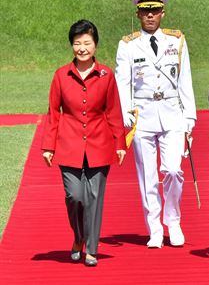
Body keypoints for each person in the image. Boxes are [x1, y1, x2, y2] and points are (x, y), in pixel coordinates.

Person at [115, 0, 197, 248]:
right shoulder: (128, 44)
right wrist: (126, 111)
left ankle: (173, 221)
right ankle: (154, 228)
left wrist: (190, 117)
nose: (149, 15)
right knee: (147, 175)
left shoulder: (177, 40)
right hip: (143, 115)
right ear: (137, 13)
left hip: (172, 114)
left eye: (154, 10)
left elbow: (185, 80)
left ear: (163, 12)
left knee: (173, 170)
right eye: (144, 10)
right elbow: (123, 81)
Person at [42, 20, 126, 267]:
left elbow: (113, 111)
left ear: (95, 45)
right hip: (68, 145)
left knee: (94, 197)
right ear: (72, 46)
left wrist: (120, 143)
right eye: (77, 43)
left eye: (87, 43)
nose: (82, 48)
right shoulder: (61, 75)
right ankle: (78, 237)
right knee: (75, 196)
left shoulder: (106, 75)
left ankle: (91, 248)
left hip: (100, 144)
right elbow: (53, 113)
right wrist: (48, 146)